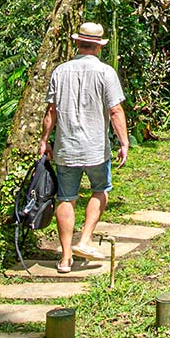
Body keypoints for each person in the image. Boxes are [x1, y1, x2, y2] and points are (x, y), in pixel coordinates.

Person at [36, 20, 129, 274]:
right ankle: (86, 239)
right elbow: (115, 110)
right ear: (98, 47)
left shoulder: (60, 71)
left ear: (77, 43)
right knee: (101, 189)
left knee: (66, 198)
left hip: (66, 147)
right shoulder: (105, 72)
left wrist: (45, 140)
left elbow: (51, 112)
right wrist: (124, 142)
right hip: (96, 148)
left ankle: (65, 258)